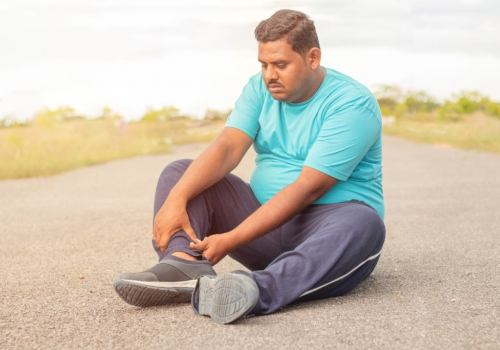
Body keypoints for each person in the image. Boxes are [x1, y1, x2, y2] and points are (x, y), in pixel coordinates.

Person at [113, 9, 386, 325]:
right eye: (264, 64)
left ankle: (256, 288)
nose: (270, 74)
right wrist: (176, 199)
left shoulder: (351, 103)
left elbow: (308, 187)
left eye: (281, 65)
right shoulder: (260, 88)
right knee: (180, 174)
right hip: (264, 225)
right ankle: (183, 264)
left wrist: (231, 239)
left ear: (313, 58)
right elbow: (227, 148)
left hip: (327, 231)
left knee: (364, 223)